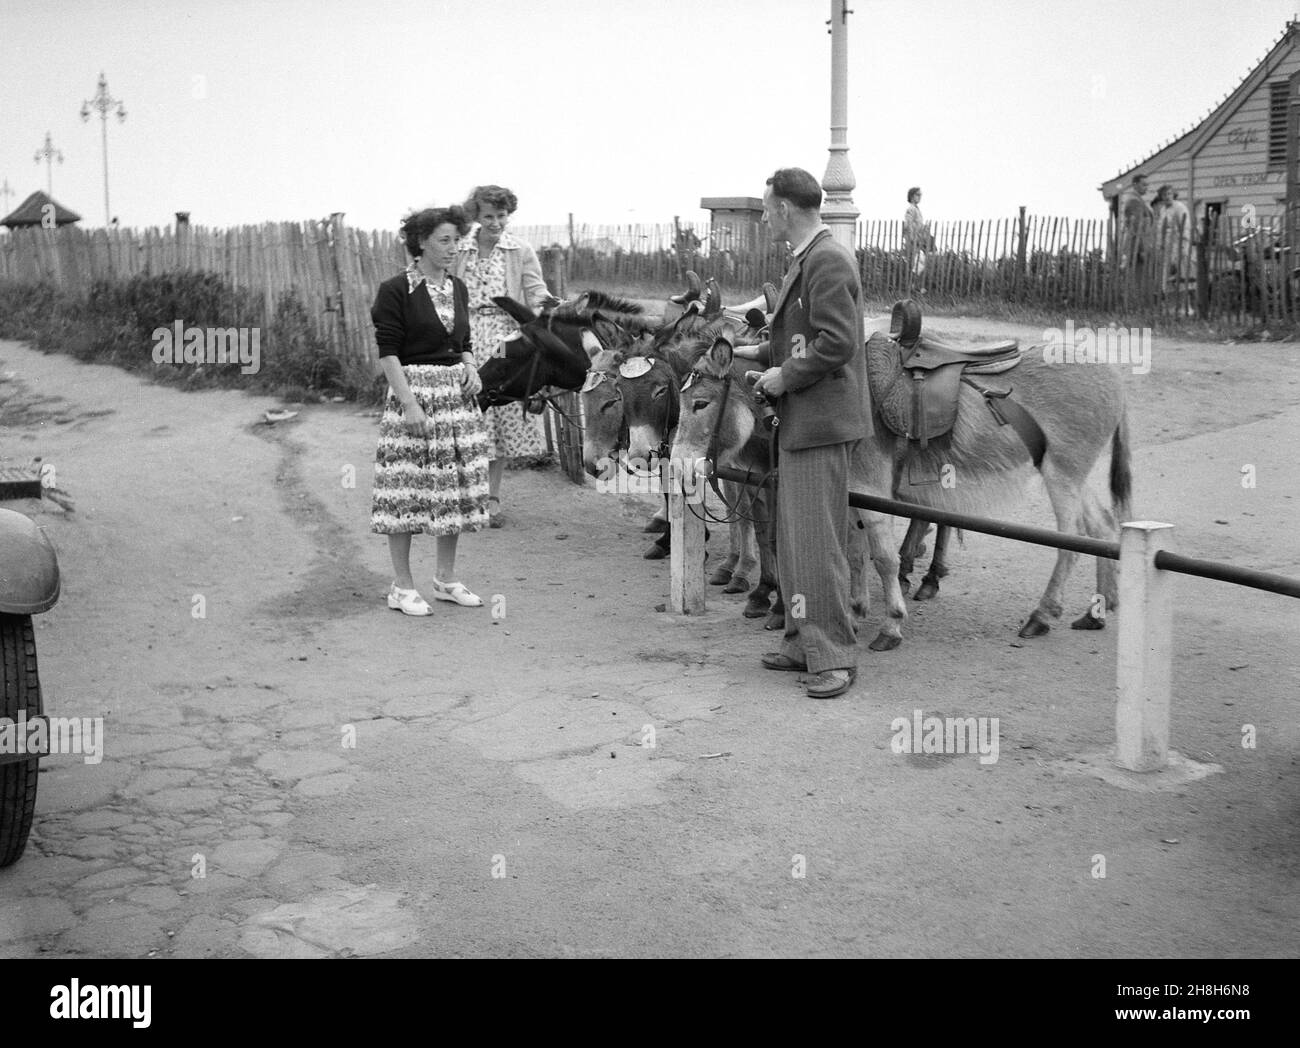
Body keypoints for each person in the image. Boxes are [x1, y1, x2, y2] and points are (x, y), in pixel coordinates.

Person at [748, 167, 871, 700]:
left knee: (818, 545)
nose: (763, 215)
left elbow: (839, 342)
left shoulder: (826, 259)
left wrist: (785, 376)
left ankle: (836, 658)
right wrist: (760, 357)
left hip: (820, 423)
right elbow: (801, 338)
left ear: (786, 209)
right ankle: (804, 643)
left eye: (766, 206)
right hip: (804, 420)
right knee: (798, 541)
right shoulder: (807, 257)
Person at [370, 206, 490, 615]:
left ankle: (445, 579)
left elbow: (464, 340)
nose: (453, 248)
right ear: (420, 242)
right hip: (415, 397)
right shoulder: (394, 290)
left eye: (457, 240)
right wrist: (410, 405)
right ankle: (401, 586)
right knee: (405, 489)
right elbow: (388, 353)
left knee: (451, 489)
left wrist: (471, 367)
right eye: (444, 240)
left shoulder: (457, 287)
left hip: (455, 400)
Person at [454, 185, 559, 528]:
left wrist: (552, 310)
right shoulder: (461, 249)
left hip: (503, 341)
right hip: (464, 337)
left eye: (502, 216)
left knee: (495, 418)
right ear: (476, 217)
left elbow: (535, 292)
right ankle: (462, 493)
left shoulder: (520, 250)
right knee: (464, 415)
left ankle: (491, 496)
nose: (496, 222)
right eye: (488, 216)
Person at [903, 187, 929, 294]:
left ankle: (914, 286)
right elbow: (908, 225)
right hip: (913, 241)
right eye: (918, 194)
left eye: (920, 195)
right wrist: (913, 239)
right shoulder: (911, 209)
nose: (920, 197)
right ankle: (912, 287)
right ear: (912, 196)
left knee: (919, 263)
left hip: (918, 240)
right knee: (918, 263)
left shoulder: (916, 209)